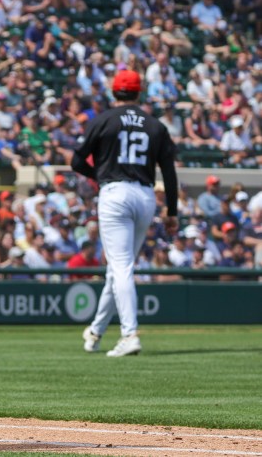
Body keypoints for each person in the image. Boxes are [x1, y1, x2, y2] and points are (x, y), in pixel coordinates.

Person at [72, 70, 178, 357]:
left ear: (114, 92)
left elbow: (76, 160)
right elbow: (169, 170)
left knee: (121, 268)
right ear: (139, 93)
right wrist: (173, 210)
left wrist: (99, 174)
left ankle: (130, 334)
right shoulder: (155, 125)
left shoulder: (104, 119)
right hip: (145, 196)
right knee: (118, 269)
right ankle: (96, 331)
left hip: (115, 193)